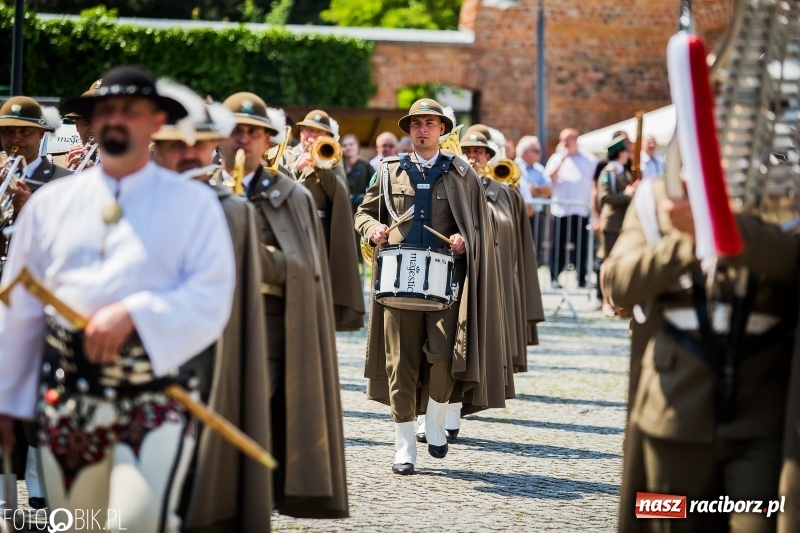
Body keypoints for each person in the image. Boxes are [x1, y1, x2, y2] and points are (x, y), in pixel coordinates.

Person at [0, 65, 236, 532]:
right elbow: (20, 308)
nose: (115, 119)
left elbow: (211, 294)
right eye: (105, 110)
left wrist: (137, 313)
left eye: (130, 110)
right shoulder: (51, 204)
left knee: (136, 522)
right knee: (78, 524)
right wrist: (7, 398)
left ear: (154, 123)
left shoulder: (194, 205)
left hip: (153, 399)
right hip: (69, 401)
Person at [604, 176, 798, 533]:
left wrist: (720, 227)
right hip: (670, 413)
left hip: (762, 415)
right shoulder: (657, 194)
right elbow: (616, 282)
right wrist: (686, 241)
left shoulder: (789, 193)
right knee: (669, 521)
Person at [216, 92, 348, 518]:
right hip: (207, 327)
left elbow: (303, 267)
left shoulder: (292, 195)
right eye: (235, 131)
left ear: (268, 141)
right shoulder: (197, 188)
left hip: (268, 329)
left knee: (257, 424)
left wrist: (252, 249)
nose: (243, 141)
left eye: (253, 133)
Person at [355, 98, 499, 476]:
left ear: (442, 130)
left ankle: (435, 420)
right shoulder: (387, 171)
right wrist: (372, 230)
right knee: (399, 363)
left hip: (443, 282)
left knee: (442, 357)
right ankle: (404, 445)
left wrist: (465, 239)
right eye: (416, 123)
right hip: (396, 279)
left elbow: (481, 225)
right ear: (409, 129)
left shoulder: (462, 172)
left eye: (429, 123)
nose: (422, 129)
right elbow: (364, 212)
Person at [151, 100, 272, 532]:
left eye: (200, 144)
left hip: (205, 366)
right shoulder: (121, 200)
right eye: (174, 144)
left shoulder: (235, 209)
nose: (188, 154)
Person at [0, 94, 70, 509]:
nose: (14, 140)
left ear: (40, 136)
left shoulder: (62, 180)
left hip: (42, 303)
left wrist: (31, 207)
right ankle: (6, 499)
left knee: (39, 403)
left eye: (23, 132)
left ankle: (42, 499)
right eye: (8, 132)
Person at [283, 109, 365, 331]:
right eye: (309, 130)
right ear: (300, 131)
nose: (312, 136)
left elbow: (337, 195)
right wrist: (295, 168)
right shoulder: (286, 155)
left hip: (317, 233)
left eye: (319, 132)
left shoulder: (332, 158)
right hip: (286, 229)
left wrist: (321, 166)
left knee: (315, 289)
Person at [544, 127, 596, 289]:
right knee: (558, 245)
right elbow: (549, 178)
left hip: (581, 210)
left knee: (582, 246)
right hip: (561, 210)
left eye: (568, 139)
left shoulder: (589, 160)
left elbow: (594, 183)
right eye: (563, 139)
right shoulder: (556, 158)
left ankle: (581, 277)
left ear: (576, 140)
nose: (565, 143)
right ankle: (554, 276)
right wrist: (562, 159)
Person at [596, 136, 635, 317]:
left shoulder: (623, 171)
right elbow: (605, 197)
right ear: (620, 153)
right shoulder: (609, 172)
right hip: (612, 222)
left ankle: (618, 301)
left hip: (622, 223)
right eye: (626, 151)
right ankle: (606, 301)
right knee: (608, 262)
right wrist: (627, 195)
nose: (629, 154)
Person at [515, 135, 552, 260]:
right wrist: (538, 191)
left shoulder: (539, 169)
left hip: (536, 216)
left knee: (534, 250)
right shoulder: (513, 168)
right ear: (525, 152)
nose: (540, 154)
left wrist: (534, 189)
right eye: (536, 151)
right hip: (519, 215)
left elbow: (548, 191)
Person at [63, 79, 103, 171]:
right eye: (87, 122)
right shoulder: (58, 162)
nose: (93, 130)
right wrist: (65, 174)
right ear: (76, 125)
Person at [342, 133, 373, 213]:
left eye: (351, 144)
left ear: (358, 147)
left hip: (361, 207)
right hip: (342, 206)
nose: (348, 147)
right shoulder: (338, 167)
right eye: (344, 145)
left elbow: (375, 184)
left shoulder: (366, 166)